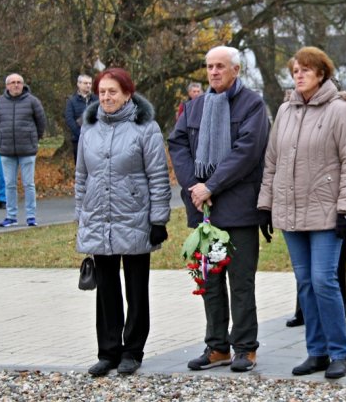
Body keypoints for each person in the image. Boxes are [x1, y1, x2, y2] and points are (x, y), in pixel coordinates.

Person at [258, 46, 346, 379]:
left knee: (323, 280)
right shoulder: (285, 110)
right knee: (304, 283)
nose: (299, 75)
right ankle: (316, 351)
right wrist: (265, 205)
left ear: (321, 73)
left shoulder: (341, 110)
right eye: (295, 70)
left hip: (325, 211)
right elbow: (272, 161)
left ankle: (339, 352)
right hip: (290, 211)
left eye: (305, 69)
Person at [168, 45, 270, 373]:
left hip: (239, 209)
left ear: (236, 70)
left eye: (220, 66)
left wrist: (212, 184)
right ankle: (216, 347)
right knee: (209, 282)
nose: (213, 72)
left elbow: (247, 152)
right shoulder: (194, 107)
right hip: (204, 211)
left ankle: (245, 348)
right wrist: (194, 186)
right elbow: (177, 144)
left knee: (241, 282)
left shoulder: (252, 105)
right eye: (210, 66)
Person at [75, 68, 172, 377]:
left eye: (112, 92)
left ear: (128, 94)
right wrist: (81, 215)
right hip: (98, 217)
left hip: (135, 218)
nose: (106, 97)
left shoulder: (146, 128)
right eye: (102, 92)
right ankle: (108, 352)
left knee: (136, 288)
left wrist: (158, 219)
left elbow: (158, 176)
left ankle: (132, 350)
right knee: (106, 289)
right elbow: (81, 176)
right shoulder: (89, 128)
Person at [0, 73, 46, 228]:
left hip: (27, 150)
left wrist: (34, 139)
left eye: (19, 82)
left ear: (23, 84)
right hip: (7, 150)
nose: (16, 85)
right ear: (7, 86)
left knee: (28, 184)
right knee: (9, 184)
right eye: (13, 82)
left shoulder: (33, 101)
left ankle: (31, 216)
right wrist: (2, 138)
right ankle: (11, 216)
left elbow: (41, 122)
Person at [64, 74, 98, 164]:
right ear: (78, 84)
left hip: (96, 140)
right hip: (78, 139)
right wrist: (80, 134)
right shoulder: (71, 101)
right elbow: (69, 119)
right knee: (80, 166)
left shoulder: (97, 99)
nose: (88, 85)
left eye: (90, 83)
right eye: (85, 83)